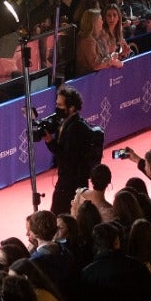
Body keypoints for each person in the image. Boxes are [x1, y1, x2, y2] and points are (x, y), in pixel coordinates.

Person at [42, 85, 99, 215]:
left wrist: (51, 142)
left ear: (72, 107)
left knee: (59, 216)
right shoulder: (67, 123)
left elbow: (67, 158)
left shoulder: (76, 129)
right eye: (57, 104)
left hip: (72, 183)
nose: (57, 109)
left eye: (60, 106)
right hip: (69, 180)